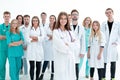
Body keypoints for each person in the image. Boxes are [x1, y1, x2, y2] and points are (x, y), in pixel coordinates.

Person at [53, 11, 79, 80]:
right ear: (59, 20)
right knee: (61, 76)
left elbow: (77, 45)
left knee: (70, 76)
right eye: (61, 18)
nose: (63, 20)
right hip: (60, 58)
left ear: (67, 20)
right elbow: (59, 45)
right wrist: (70, 46)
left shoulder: (70, 32)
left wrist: (68, 44)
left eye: (65, 18)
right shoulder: (56, 31)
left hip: (70, 58)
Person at [101, 8, 120, 80]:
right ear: (105, 14)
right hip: (105, 46)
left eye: (110, 12)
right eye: (107, 13)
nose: (109, 14)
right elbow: (102, 35)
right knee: (104, 63)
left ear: (113, 13)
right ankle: (103, 77)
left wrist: (117, 42)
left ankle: (113, 77)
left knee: (113, 62)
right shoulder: (103, 24)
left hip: (113, 46)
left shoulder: (118, 24)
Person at [39, 15, 56, 80]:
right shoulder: (45, 27)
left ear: (55, 19)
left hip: (54, 47)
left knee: (53, 61)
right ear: (49, 19)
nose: (52, 19)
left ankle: (52, 75)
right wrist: (50, 37)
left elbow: (58, 37)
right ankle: (42, 74)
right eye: (50, 18)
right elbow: (44, 36)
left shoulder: (57, 28)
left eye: (53, 18)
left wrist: (51, 36)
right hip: (47, 46)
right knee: (46, 61)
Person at [71, 9, 86, 80]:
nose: (74, 15)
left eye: (76, 14)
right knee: (69, 65)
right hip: (68, 49)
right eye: (73, 14)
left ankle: (76, 78)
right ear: (71, 16)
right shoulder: (67, 26)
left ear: (78, 16)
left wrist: (82, 51)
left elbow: (83, 40)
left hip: (77, 49)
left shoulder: (81, 27)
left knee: (76, 65)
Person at [0, 11, 11, 80]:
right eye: (5, 16)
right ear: (3, 17)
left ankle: (13, 78)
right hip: (2, 49)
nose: (6, 18)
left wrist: (3, 36)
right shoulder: (0, 26)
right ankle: (2, 78)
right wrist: (8, 36)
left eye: (8, 16)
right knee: (1, 65)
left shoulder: (13, 26)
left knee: (12, 66)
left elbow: (14, 37)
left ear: (10, 17)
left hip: (11, 49)